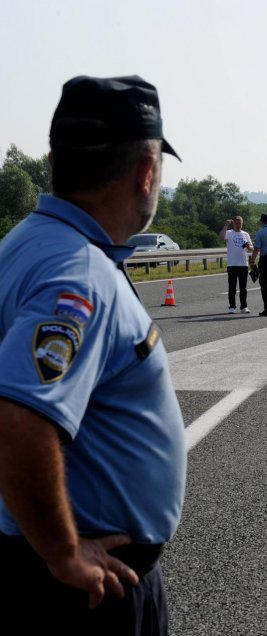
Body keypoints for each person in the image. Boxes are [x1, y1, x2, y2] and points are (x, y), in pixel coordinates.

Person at [0, 76, 186, 635]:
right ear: (145, 172)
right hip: (85, 590)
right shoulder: (78, 273)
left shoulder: (26, 243)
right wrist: (64, 552)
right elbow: (18, 415)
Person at [219, 215, 253, 314]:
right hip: (232, 264)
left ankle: (244, 306)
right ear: (233, 223)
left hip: (243, 264)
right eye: (236, 223)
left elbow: (251, 249)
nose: (238, 225)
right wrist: (225, 225)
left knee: (243, 288)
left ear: (242, 223)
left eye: (240, 223)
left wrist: (248, 246)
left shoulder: (245, 234)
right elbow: (221, 237)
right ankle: (232, 307)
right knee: (232, 287)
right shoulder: (229, 233)